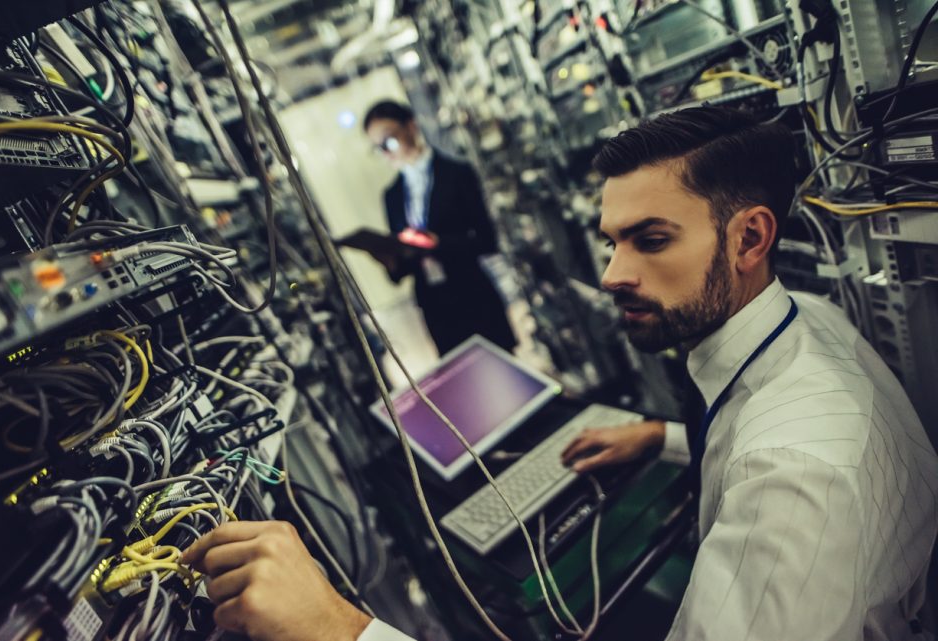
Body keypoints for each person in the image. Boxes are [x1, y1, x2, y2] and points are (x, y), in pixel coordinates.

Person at [181, 107, 938, 641]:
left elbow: (790, 464)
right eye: (610, 241)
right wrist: (665, 436)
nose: (613, 274)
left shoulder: (797, 477)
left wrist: (342, 630)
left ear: (750, 237)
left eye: (650, 239)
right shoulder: (802, 323)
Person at [359, 100, 516, 355]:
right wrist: (390, 260)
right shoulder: (392, 195)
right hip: (436, 307)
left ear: (411, 127)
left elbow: (487, 240)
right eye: (378, 149)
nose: (386, 154)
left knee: (504, 372)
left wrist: (438, 243)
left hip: (473, 294)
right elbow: (402, 271)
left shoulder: (456, 174)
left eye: (389, 142)